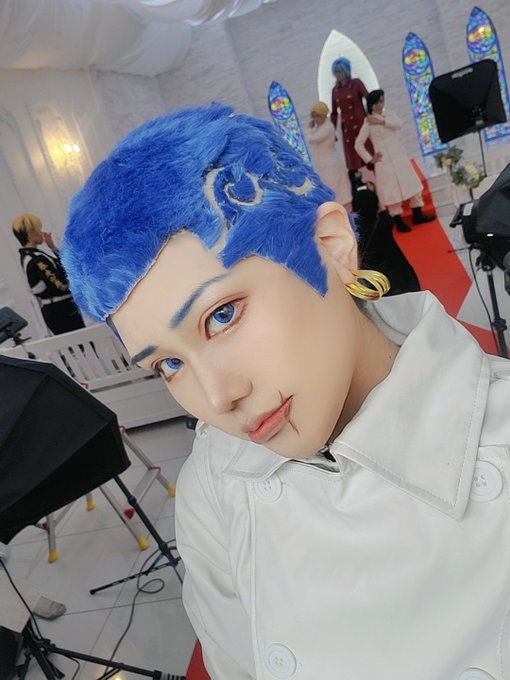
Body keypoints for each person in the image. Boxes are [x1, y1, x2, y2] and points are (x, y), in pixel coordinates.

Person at [61, 103, 510, 680]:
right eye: (168, 364)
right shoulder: (212, 485)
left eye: (221, 316)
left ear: (331, 244)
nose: (217, 398)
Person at [354, 89, 435, 232]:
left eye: (382, 101)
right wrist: (370, 159)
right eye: (377, 102)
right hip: (383, 162)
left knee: (411, 184)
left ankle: (418, 215)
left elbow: (399, 124)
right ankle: (398, 221)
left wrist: (382, 121)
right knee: (391, 191)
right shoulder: (368, 123)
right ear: (371, 105)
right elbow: (358, 144)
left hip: (399, 157)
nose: (380, 105)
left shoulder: (389, 115)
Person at [11, 213, 85, 335]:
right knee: (80, 341)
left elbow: (61, 268)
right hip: (60, 310)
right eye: (38, 230)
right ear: (30, 234)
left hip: (60, 307)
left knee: (82, 340)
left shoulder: (31, 255)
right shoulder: (35, 259)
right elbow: (59, 285)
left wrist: (52, 247)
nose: (41, 232)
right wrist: (78, 284)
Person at [352, 182, 420, 295]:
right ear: (376, 205)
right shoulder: (384, 223)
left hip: (372, 276)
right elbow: (383, 212)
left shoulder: (355, 230)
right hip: (395, 271)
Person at [330, 57, 371, 187]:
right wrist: (332, 131)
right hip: (347, 128)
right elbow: (334, 113)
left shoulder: (356, 84)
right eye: (336, 72)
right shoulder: (335, 91)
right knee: (353, 159)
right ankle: (358, 186)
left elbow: (369, 99)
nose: (338, 74)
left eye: (340, 71)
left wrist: (372, 116)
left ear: (346, 70)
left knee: (367, 151)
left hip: (360, 123)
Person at [305, 101, 352, 210]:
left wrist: (308, 130)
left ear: (323, 115)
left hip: (331, 165)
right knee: (329, 188)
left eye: (318, 116)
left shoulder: (328, 127)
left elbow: (313, 139)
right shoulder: (319, 127)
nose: (315, 119)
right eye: (314, 116)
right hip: (324, 165)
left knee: (336, 189)